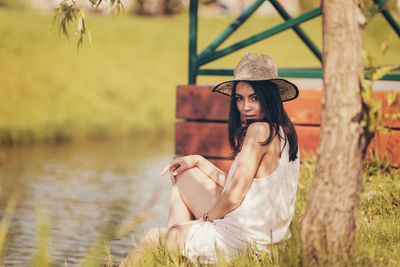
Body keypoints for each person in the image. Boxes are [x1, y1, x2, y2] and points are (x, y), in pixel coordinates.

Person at [120, 53, 300, 266]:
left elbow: (233, 197)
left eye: (254, 98)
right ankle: (182, 253)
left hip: (245, 242)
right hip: (264, 238)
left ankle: (180, 249)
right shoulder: (284, 132)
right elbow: (248, 191)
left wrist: (204, 220)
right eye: (239, 99)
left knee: (153, 238)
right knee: (184, 178)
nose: (245, 107)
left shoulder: (259, 131)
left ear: (269, 97)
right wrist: (199, 161)